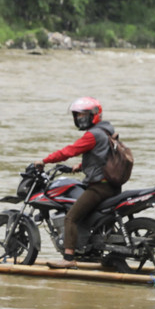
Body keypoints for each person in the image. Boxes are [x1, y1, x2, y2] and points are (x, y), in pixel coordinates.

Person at [33, 97, 119, 268]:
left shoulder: (92, 135)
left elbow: (69, 151)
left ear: (94, 115)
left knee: (71, 217)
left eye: (83, 115)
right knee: (84, 215)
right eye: (77, 115)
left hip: (99, 187)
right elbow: (102, 159)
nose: (80, 118)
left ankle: (68, 257)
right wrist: (79, 167)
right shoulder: (106, 132)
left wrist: (45, 160)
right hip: (111, 185)